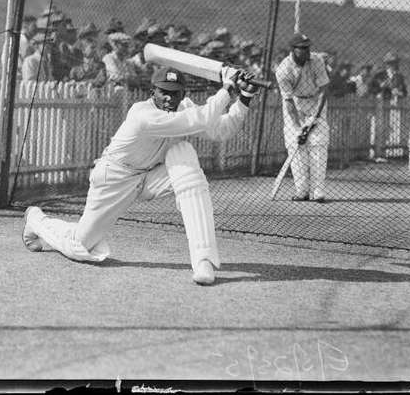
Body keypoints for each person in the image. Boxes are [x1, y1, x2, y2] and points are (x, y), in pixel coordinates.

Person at [22, 65, 260, 286]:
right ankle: (37, 220)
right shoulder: (142, 114)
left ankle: (203, 260)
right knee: (80, 246)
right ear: (152, 92)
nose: (169, 98)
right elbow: (200, 119)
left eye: (175, 93)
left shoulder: (184, 108)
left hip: (149, 177)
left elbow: (221, 129)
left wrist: (244, 99)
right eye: (163, 92)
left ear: (182, 94)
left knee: (184, 154)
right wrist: (228, 88)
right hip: (115, 178)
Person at [275, 32, 330, 202]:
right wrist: (300, 128)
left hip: (316, 102)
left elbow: (324, 90)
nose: (307, 51)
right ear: (293, 49)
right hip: (295, 104)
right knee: (295, 146)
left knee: (318, 144)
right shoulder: (283, 70)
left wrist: (314, 118)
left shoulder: (317, 61)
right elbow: (289, 101)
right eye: (302, 49)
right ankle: (302, 191)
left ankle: (318, 191)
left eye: (308, 48)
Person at [369, 51, 408, 162]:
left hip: (393, 105)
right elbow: (371, 89)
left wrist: (399, 92)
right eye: (390, 63)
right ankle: (378, 153)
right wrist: (381, 87)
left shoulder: (399, 76)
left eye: (394, 63)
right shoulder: (379, 75)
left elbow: (405, 92)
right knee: (379, 128)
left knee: (389, 129)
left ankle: (384, 152)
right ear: (386, 64)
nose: (393, 65)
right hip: (381, 104)